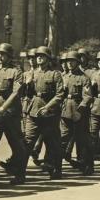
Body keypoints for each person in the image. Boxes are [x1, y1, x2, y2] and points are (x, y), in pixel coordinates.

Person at [0, 42, 29, 184]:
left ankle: (20, 175)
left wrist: (4, 107)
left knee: (17, 145)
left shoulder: (16, 72)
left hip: (10, 113)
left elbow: (16, 93)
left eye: (3, 54)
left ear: (9, 56)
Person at [23, 46, 65, 179]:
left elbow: (60, 94)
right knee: (27, 142)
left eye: (43, 56)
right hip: (33, 110)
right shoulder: (32, 74)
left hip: (50, 113)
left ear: (48, 59)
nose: (39, 58)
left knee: (53, 142)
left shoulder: (55, 74)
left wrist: (48, 107)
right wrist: (28, 85)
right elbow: (27, 95)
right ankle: (20, 173)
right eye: (38, 56)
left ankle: (56, 170)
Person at [61, 51, 94, 174]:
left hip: (79, 111)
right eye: (68, 61)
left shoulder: (84, 78)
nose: (69, 63)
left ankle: (86, 165)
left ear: (77, 62)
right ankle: (56, 164)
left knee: (82, 139)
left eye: (72, 61)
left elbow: (88, 96)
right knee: (63, 137)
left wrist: (80, 110)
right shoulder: (63, 77)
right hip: (65, 110)